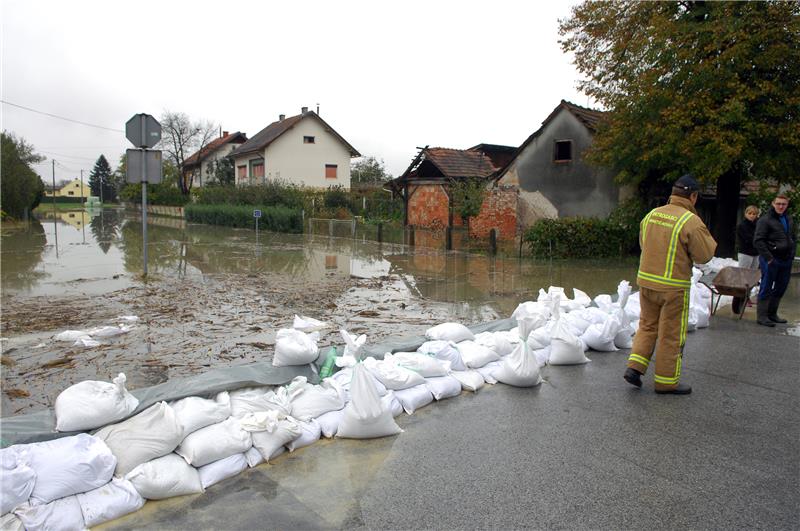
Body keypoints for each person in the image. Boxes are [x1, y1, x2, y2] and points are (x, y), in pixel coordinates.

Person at [624, 175, 717, 395]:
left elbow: (643, 244)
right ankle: (666, 382)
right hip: (673, 287)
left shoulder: (651, 215)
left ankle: (634, 368)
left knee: (647, 326)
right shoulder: (690, 221)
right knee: (671, 334)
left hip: (646, 283)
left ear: (673, 194)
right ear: (693, 196)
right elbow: (705, 255)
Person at [754, 194, 795, 327]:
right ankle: (762, 316)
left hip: (786, 259)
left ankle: (772, 314)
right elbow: (758, 241)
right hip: (771, 259)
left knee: (781, 287)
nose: (781, 206)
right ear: (773, 203)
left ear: (787, 205)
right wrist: (769, 258)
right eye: (778, 203)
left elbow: (792, 237)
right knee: (766, 286)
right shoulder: (765, 220)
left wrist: (792, 253)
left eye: (783, 204)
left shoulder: (788, 218)